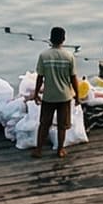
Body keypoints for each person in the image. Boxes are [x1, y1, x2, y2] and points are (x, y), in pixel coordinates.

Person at [34, 27, 77, 159]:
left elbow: (40, 77)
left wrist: (36, 94)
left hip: (49, 96)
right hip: (64, 96)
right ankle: (60, 149)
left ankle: (39, 150)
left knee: (44, 124)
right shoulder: (69, 56)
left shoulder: (44, 56)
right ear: (63, 40)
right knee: (62, 125)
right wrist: (78, 96)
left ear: (51, 39)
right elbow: (73, 78)